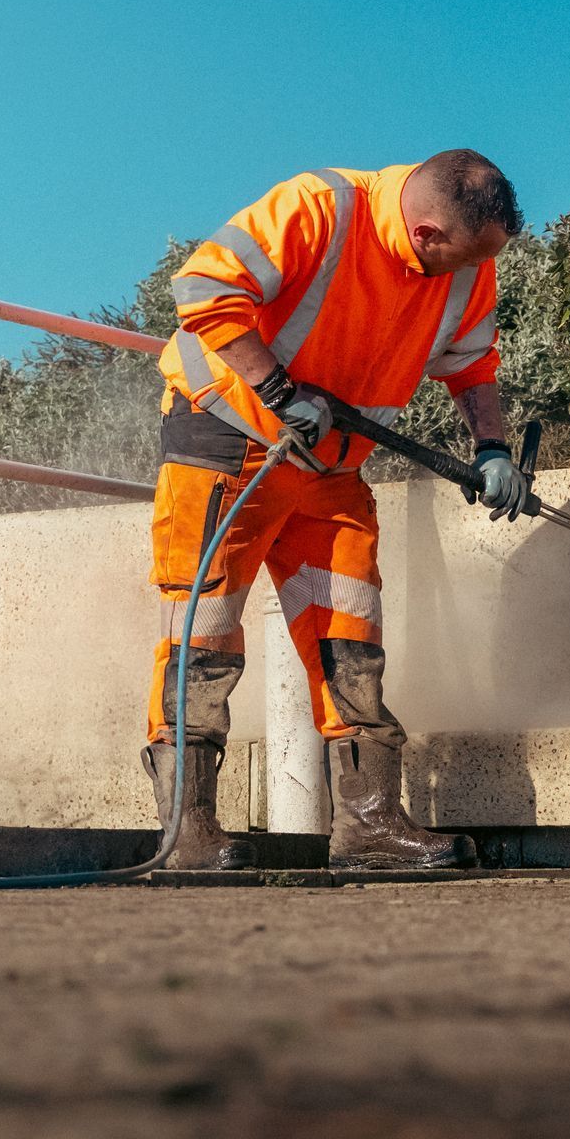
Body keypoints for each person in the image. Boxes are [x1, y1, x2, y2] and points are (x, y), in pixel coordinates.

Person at [141, 150, 531, 871]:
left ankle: (370, 827)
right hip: (228, 440)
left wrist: (492, 450)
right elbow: (201, 286)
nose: (473, 277)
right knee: (204, 637)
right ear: (426, 234)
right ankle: (186, 832)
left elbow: (471, 364)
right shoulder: (318, 207)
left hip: (331, 467)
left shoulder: (468, 263)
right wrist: (282, 394)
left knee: (352, 642)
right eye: (463, 261)